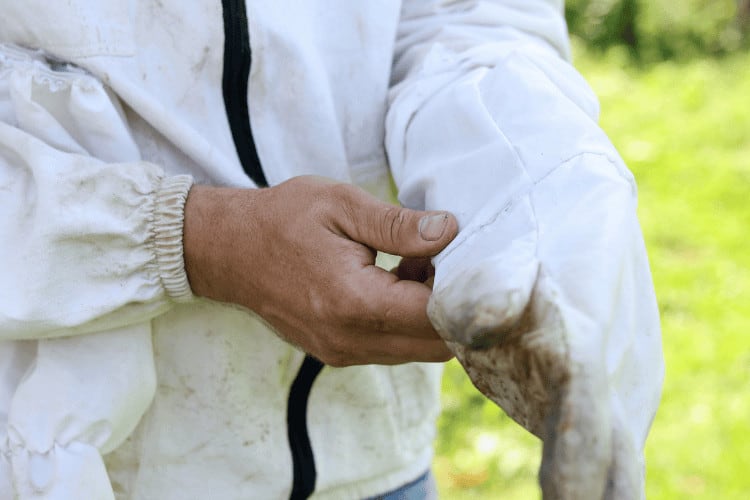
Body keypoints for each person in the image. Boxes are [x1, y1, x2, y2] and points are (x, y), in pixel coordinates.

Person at [0, 1, 664, 499]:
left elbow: (465, 21)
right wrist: (192, 238)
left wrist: (531, 195)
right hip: (64, 466)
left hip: (377, 466)